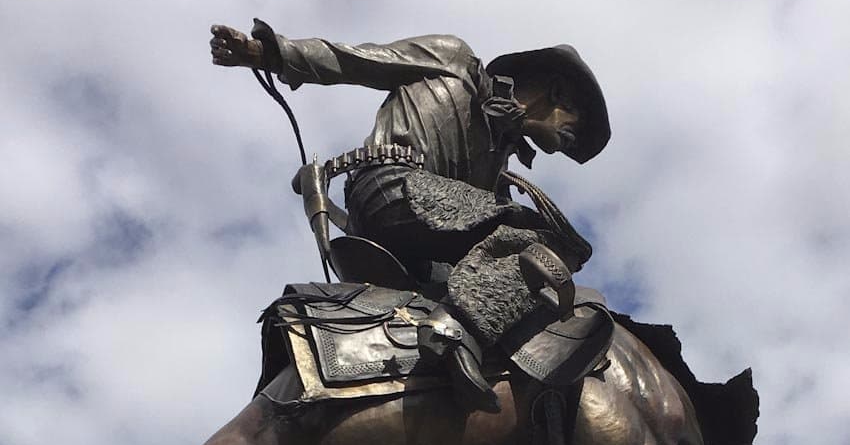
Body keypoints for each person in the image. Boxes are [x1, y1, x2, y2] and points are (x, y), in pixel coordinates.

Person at [210, 23, 610, 410]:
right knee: (550, 239)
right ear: (557, 93)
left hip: (424, 240)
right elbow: (358, 59)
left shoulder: (497, 156)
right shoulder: (454, 59)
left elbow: (485, 244)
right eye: (573, 129)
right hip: (391, 188)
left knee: (529, 270)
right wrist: (269, 53)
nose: (567, 143)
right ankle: (456, 331)